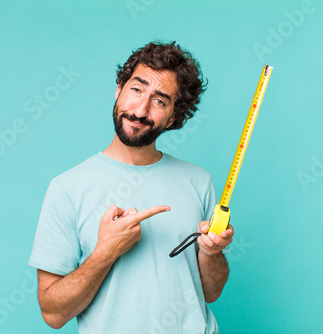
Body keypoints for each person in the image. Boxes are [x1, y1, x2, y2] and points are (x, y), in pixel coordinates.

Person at [28, 41, 234, 333]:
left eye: (160, 100)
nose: (140, 109)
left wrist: (212, 253)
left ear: (174, 117)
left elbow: (210, 292)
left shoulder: (198, 181)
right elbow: (53, 314)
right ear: (119, 89)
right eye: (136, 89)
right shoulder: (66, 188)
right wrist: (105, 252)